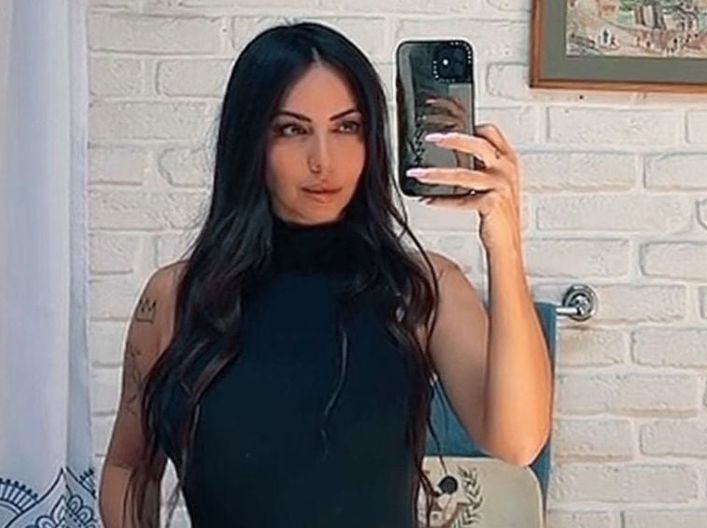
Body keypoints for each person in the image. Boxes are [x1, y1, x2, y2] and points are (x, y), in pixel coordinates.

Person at [98, 21, 552, 528]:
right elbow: (127, 467)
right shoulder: (175, 297)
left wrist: (504, 244)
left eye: (346, 127)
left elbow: (518, 441)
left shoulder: (422, 288)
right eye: (292, 130)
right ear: (251, 142)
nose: (323, 161)